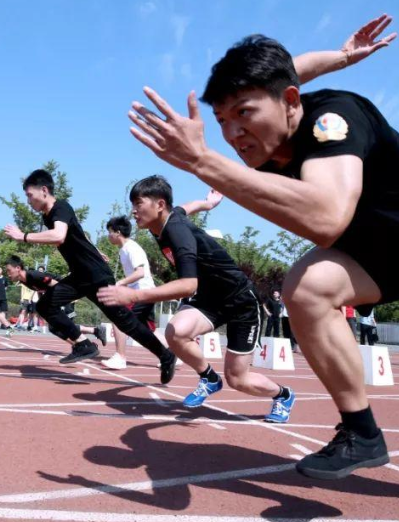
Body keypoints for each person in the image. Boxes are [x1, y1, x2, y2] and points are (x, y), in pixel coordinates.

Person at [128, 15, 399, 519]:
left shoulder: (333, 118)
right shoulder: (270, 124)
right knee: (306, 286)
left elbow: (326, 217)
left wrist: (202, 161)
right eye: (222, 119)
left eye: (244, 114)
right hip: (376, 258)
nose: (232, 133)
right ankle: (361, 431)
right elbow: (290, 72)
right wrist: (341, 56)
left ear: (289, 101)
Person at [99, 178, 295, 423]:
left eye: (138, 204)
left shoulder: (177, 232)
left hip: (240, 301)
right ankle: (209, 377)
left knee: (237, 379)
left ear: (159, 205)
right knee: (176, 332)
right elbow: (184, 208)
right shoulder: (163, 222)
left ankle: (283, 395)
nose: (133, 211)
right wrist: (207, 203)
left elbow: (188, 285)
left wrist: (134, 295)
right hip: (209, 299)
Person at [4, 170, 176, 380]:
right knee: (45, 306)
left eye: (30, 195)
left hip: (96, 276)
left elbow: (59, 235)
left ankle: (165, 355)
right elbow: (78, 233)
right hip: (80, 276)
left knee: (126, 322)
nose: (28, 201)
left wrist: (22, 236)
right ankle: (83, 344)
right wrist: (94, 249)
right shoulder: (48, 216)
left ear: (44, 190)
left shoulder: (61, 207)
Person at [101, 214, 160, 370]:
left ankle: (120, 357)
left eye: (110, 232)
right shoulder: (124, 249)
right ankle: (173, 355)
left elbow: (140, 273)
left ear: (118, 232)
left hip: (143, 292)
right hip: (143, 292)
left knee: (119, 319)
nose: (108, 235)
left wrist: (120, 283)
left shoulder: (131, 248)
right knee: (149, 330)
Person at [3, 256, 105, 341]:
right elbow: (40, 290)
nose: (8, 274)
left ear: (18, 268)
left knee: (57, 326)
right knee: (55, 327)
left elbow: (56, 284)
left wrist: (62, 299)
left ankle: (84, 343)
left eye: (9, 270)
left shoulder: (33, 275)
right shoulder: (24, 281)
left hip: (66, 292)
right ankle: (91, 335)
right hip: (59, 296)